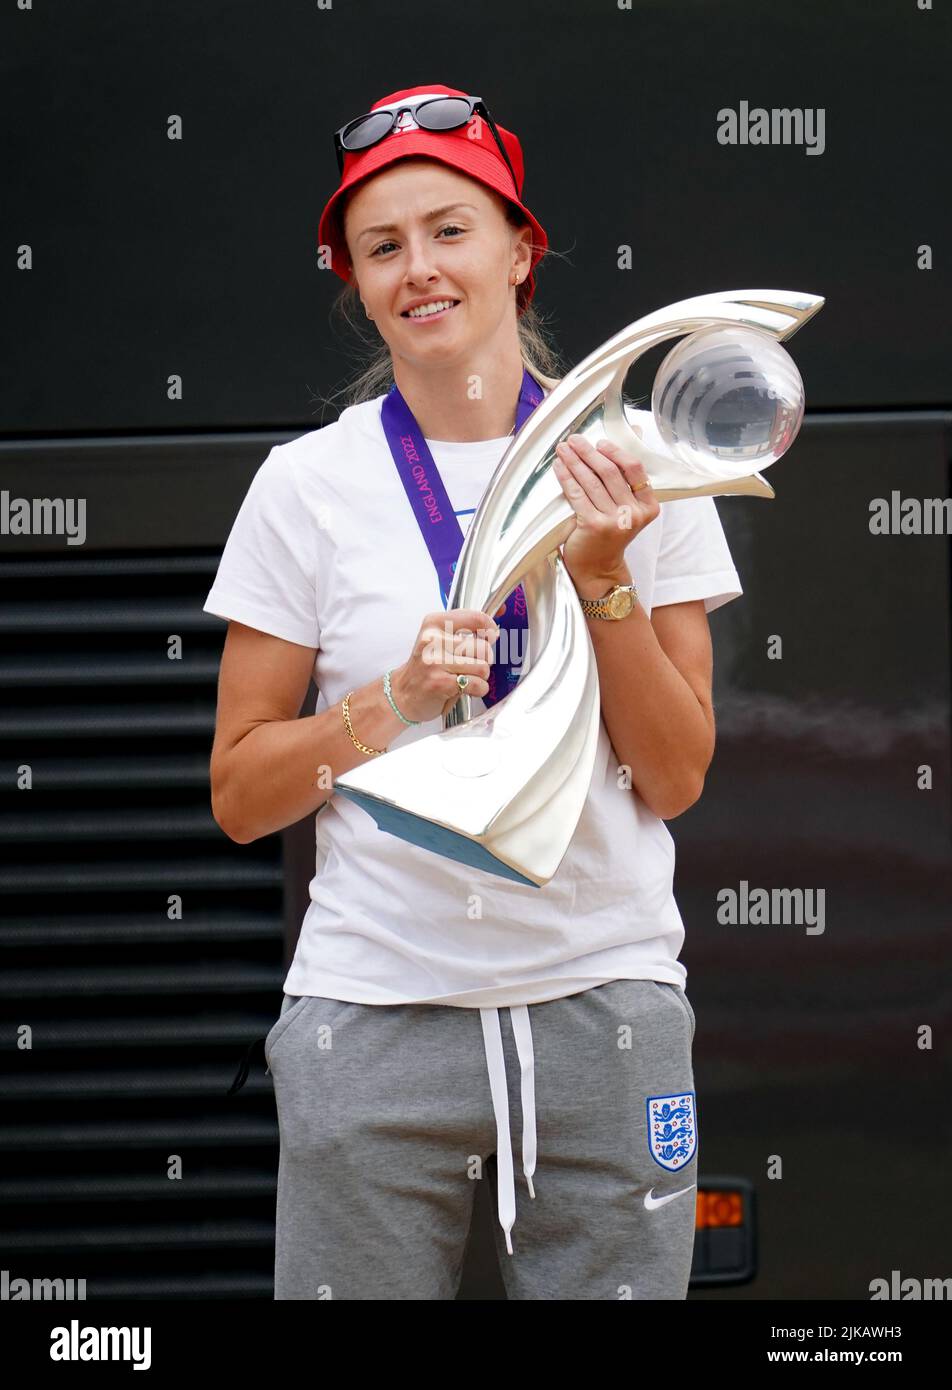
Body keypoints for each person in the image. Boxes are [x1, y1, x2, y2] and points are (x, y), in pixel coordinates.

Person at [204, 82, 743, 1301]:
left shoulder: (639, 460)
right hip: (375, 1011)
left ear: (520, 250)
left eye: (451, 229)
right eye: (382, 246)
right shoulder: (305, 487)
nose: (420, 268)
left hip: (606, 1000)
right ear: (353, 279)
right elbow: (240, 797)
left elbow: (673, 776)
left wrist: (601, 580)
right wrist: (389, 700)